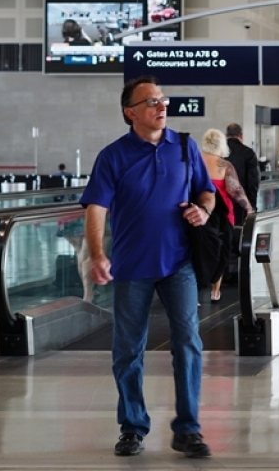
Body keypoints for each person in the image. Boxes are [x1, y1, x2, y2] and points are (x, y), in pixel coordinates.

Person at [79, 76, 216, 459]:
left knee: (188, 343)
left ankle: (188, 429)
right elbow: (96, 208)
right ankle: (132, 426)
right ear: (131, 113)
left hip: (179, 264)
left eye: (162, 99)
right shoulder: (113, 156)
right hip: (131, 266)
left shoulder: (185, 147)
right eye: (151, 102)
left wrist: (203, 211)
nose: (161, 106)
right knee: (128, 349)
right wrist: (97, 254)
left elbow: (207, 192)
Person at [200, 129, 253, 302]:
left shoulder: (196, 161)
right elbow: (235, 190)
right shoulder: (224, 165)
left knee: (198, 251)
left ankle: (194, 293)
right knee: (222, 252)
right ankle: (215, 291)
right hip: (223, 215)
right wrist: (248, 208)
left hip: (200, 213)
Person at [225, 124, 260, 217]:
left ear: (226, 135)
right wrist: (252, 204)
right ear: (241, 135)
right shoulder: (248, 153)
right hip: (242, 202)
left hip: (222, 202)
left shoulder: (219, 152)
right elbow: (253, 180)